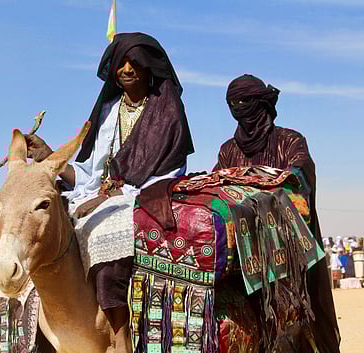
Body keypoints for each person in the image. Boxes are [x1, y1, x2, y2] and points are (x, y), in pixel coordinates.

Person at [26, 32, 194, 353]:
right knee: (42, 223)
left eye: (135, 63)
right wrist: (49, 156)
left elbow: (168, 168)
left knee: (106, 231)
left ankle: (120, 336)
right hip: (105, 194)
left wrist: (113, 196)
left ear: (149, 69)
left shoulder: (167, 109)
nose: (127, 69)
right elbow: (91, 173)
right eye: (121, 63)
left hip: (151, 193)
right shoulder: (108, 113)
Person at [213, 74, 340, 353]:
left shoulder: (290, 140)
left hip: (288, 249)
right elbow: (217, 188)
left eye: (245, 102)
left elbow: (299, 179)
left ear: (261, 103)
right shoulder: (227, 150)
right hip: (244, 252)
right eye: (233, 103)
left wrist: (259, 188)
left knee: (298, 329)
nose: (239, 108)